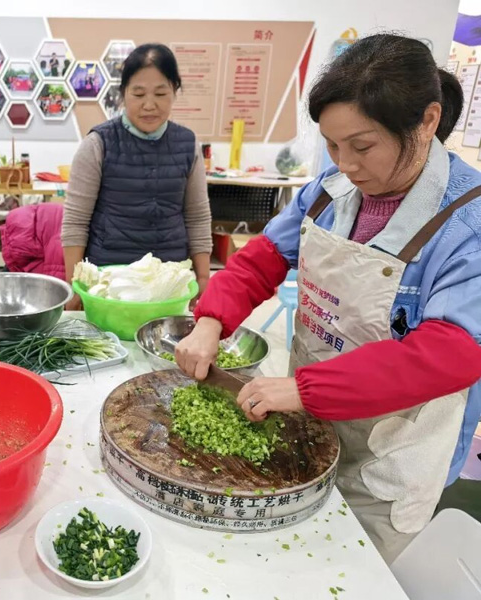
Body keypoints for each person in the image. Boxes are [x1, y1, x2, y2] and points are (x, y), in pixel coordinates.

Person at [176, 34, 481, 562]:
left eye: (362, 147)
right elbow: (262, 259)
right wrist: (209, 322)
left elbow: (447, 357)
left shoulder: (467, 225)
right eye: (333, 146)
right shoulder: (331, 188)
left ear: (428, 121)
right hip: (308, 422)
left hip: (389, 460)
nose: (346, 164)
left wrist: (304, 387)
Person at [61, 43, 212, 310]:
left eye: (161, 93)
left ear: (175, 92)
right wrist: (77, 286)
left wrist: (202, 277)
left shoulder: (187, 144)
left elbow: (197, 216)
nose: (149, 105)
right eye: (138, 93)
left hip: (170, 282)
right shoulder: (98, 143)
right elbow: (75, 222)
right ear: (123, 94)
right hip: (107, 284)